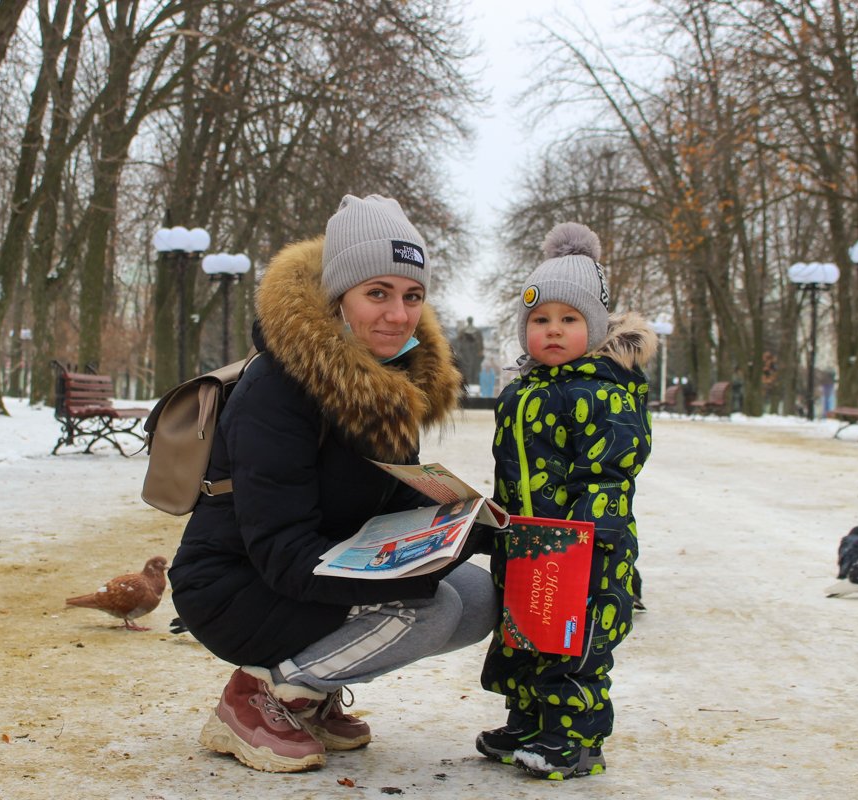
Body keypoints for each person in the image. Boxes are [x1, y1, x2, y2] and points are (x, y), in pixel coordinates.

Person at [168, 194, 497, 774]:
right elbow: (280, 553)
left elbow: (397, 498)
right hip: (235, 585)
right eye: (378, 293)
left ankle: (308, 698)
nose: (399, 315)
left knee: (476, 598)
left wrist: (465, 526)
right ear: (337, 298)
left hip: (308, 572)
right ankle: (255, 697)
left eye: (412, 296)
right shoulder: (277, 389)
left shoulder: (387, 382)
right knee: (428, 609)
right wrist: (407, 576)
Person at [477, 221, 655, 780]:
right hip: (528, 545)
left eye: (569, 320)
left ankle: (574, 740)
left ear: (595, 326)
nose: (552, 331)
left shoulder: (603, 391)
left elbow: (609, 472)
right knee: (526, 637)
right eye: (540, 320)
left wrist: (585, 538)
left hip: (585, 551)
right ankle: (528, 725)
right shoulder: (522, 393)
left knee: (574, 648)